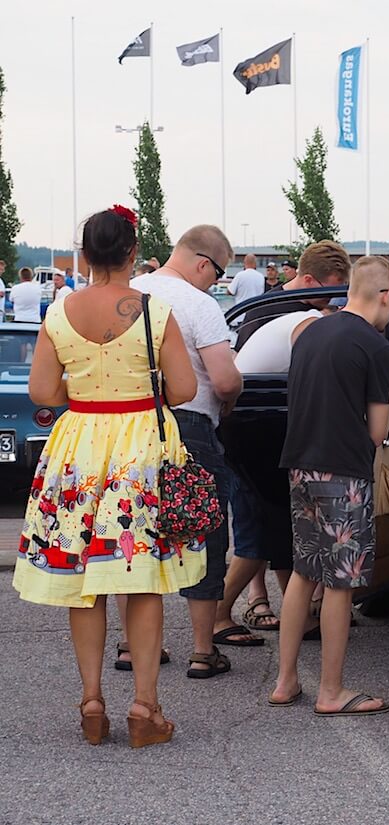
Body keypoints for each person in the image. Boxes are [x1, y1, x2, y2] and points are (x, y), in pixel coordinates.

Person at [12, 206, 200, 747]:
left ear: (86, 254)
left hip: (79, 448)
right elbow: (185, 390)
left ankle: (92, 702)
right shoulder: (153, 310)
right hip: (139, 447)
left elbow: (44, 393)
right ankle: (145, 707)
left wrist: (88, 397)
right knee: (140, 579)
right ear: (133, 253)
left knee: (82, 583)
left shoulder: (58, 313)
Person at [269, 256, 389, 715]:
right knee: (341, 583)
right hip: (343, 471)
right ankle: (331, 691)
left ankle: (285, 681)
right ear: (384, 295)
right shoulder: (375, 345)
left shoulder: (309, 332)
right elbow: (377, 426)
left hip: (300, 465)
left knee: (304, 574)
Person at [214, 242, 351, 638]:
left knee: (272, 530)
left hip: (245, 429)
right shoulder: (305, 317)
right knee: (259, 535)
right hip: (258, 434)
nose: (331, 300)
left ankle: (296, 614)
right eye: (329, 290)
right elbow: (324, 367)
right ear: (308, 281)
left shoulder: (263, 309)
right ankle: (218, 618)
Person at [132, 225, 250, 677]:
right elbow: (224, 379)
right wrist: (232, 400)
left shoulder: (131, 292)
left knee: (137, 529)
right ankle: (203, 650)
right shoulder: (200, 304)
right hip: (189, 427)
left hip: (132, 428)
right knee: (202, 533)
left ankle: (132, 645)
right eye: (218, 275)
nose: (215, 284)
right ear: (204, 263)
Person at [235, 245, 347, 349]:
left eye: (337, 292)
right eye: (327, 293)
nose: (332, 299)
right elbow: (241, 361)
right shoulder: (262, 310)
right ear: (308, 280)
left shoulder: (332, 311)